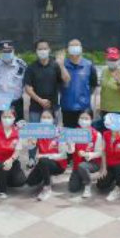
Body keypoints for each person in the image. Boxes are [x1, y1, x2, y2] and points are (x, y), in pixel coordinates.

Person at [24, 39, 70, 167]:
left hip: (53, 107)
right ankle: (32, 158)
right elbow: (28, 88)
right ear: (36, 51)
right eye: (40, 49)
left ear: (49, 50)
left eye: (45, 48)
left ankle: (51, 157)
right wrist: (40, 100)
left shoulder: (55, 65)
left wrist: (61, 65)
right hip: (35, 107)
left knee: (52, 135)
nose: (42, 51)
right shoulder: (31, 67)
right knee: (33, 134)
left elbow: (66, 80)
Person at [26, 110, 71, 201]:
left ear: (53, 120)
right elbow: (31, 146)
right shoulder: (38, 132)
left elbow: (63, 156)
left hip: (58, 165)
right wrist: (30, 141)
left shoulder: (60, 132)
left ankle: (47, 188)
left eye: (48, 117)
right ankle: (47, 174)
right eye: (43, 117)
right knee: (30, 182)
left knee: (43, 161)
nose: (45, 120)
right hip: (44, 162)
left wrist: (47, 156)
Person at [0, 40, 27, 123]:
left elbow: (26, 84)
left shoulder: (21, 65)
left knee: (18, 129)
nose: (7, 53)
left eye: (9, 51)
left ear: (13, 51)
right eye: (4, 51)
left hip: (16, 103)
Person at [60, 39, 98, 128]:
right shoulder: (62, 65)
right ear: (67, 50)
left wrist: (84, 96)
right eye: (72, 46)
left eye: (77, 46)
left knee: (85, 136)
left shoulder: (89, 65)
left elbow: (93, 85)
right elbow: (59, 84)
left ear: (81, 49)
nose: (74, 48)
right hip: (67, 107)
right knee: (69, 137)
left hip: (84, 108)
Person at [68, 110, 103, 198]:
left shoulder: (96, 134)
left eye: (86, 118)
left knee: (82, 166)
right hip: (77, 164)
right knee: (73, 188)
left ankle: (88, 185)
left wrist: (87, 154)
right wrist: (69, 144)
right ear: (78, 119)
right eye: (81, 118)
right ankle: (84, 176)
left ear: (91, 120)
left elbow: (100, 153)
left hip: (93, 163)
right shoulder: (74, 133)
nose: (83, 120)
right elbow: (71, 151)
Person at [99, 47, 120, 118]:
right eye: (110, 59)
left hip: (119, 111)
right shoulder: (104, 71)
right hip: (105, 109)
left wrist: (119, 81)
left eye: (114, 60)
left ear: (119, 60)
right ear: (106, 59)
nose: (112, 62)